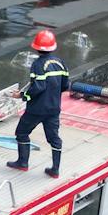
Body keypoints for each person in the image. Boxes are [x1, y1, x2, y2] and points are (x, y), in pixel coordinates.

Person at [8, 28, 68, 179]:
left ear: (35, 47)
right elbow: (66, 86)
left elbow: (38, 87)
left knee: (22, 133)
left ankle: (22, 163)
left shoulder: (37, 64)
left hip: (37, 109)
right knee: (54, 139)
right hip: (54, 109)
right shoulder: (60, 63)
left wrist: (22, 96)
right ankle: (55, 169)